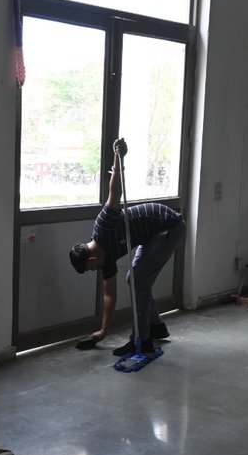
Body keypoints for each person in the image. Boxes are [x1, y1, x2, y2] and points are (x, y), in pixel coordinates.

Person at [69, 138, 186, 355]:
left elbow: (115, 194)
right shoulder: (106, 259)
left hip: (168, 226)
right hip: (150, 236)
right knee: (135, 279)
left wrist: (118, 158)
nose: (94, 271)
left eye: (90, 268)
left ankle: (142, 340)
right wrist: (103, 331)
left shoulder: (103, 225)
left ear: (92, 260)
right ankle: (157, 327)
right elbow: (109, 295)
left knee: (139, 280)